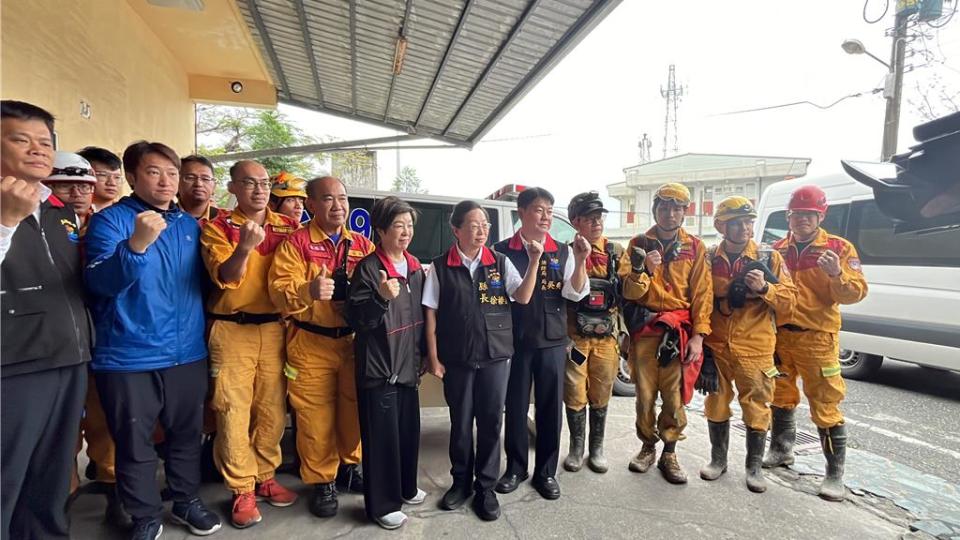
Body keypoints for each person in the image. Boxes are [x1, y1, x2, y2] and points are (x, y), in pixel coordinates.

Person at [84, 140, 222, 539]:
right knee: (134, 443)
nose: (165, 181)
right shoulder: (111, 222)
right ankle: (145, 516)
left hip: (186, 353)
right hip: (128, 355)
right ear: (132, 176)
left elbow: (210, 282)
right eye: (154, 172)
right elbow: (98, 282)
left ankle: (185, 500)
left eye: (172, 173)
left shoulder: (187, 226)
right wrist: (136, 245)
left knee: (184, 436)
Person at [1, 100, 92, 540]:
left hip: (68, 356)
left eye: (46, 142)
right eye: (21, 140)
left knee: (53, 476)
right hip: (14, 365)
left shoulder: (58, 211)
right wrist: (5, 222)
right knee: (7, 476)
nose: (39, 150)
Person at [423, 200, 542, 521]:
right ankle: (460, 482)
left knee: (491, 423)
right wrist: (433, 358)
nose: (481, 231)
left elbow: (523, 297)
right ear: (456, 230)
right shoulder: (440, 266)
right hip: (457, 358)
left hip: (495, 357)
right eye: (474, 225)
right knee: (460, 425)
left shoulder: (500, 263)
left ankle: (485, 488)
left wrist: (533, 263)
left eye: (485, 225)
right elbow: (430, 314)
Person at [201, 160, 300, 528]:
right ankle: (241, 487)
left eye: (264, 183)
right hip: (232, 330)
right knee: (232, 410)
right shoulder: (218, 228)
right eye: (249, 183)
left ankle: (264, 475)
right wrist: (243, 247)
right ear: (233, 187)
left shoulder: (289, 228)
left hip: (274, 328)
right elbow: (226, 276)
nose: (259, 190)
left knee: (272, 409)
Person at [269, 176, 374, 518]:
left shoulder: (361, 244)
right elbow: (278, 291)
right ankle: (322, 480)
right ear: (311, 205)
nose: (337, 205)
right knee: (315, 419)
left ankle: (347, 467)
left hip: (352, 343)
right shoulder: (296, 243)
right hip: (309, 342)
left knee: (353, 411)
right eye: (327, 199)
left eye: (342, 198)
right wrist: (307, 291)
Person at [763, 185, 868, 502]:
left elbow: (855, 293)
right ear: (789, 216)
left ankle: (834, 474)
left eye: (809, 215)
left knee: (825, 402)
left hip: (818, 338)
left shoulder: (838, 249)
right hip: (781, 336)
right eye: (797, 215)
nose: (802, 220)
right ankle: (781, 449)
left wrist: (836, 274)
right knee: (779, 394)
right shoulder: (777, 249)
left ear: (820, 216)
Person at [493, 187, 589, 501]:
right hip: (516, 342)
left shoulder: (562, 250)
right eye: (538, 210)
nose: (546, 216)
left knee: (550, 409)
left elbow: (575, 293)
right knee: (516, 408)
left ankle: (546, 472)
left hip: (551, 342)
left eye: (549, 210)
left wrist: (581, 260)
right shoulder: (502, 251)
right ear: (521, 212)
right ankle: (516, 468)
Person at [699, 196, 796, 493]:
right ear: (721, 226)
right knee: (715, 403)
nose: (744, 228)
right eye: (736, 223)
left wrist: (765, 288)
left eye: (748, 222)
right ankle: (718, 460)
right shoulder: (710, 258)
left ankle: (754, 468)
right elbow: (700, 299)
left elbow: (790, 303)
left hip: (755, 349)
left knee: (756, 407)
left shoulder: (769, 258)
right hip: (717, 346)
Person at [621, 182, 712, 485]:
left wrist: (699, 336)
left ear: (685, 212)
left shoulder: (696, 247)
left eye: (677, 208)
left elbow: (702, 293)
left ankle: (669, 452)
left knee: (674, 397)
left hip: (679, 332)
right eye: (664, 207)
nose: (670, 213)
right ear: (655, 210)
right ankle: (647, 447)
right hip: (646, 330)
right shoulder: (637, 242)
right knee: (645, 395)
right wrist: (643, 268)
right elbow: (629, 292)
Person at [347, 196, 426, 530]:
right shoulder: (368, 268)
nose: (405, 232)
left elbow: (422, 316)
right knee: (381, 440)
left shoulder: (414, 266)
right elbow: (357, 320)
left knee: (408, 432)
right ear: (380, 229)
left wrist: (422, 357)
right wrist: (381, 297)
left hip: (408, 366)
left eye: (409, 225)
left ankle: (406, 488)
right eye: (398, 226)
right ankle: (382, 504)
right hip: (379, 369)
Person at [562, 192, 624, 475]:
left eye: (599, 217)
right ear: (576, 222)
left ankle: (596, 448)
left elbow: (629, 296)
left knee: (601, 391)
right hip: (576, 337)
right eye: (590, 218)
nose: (597, 222)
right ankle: (576, 449)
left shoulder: (616, 252)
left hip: (606, 337)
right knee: (575, 393)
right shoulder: (565, 252)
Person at [42, 152, 97, 228]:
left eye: (84, 187)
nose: (76, 194)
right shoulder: (35, 226)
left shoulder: (107, 223)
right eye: (65, 186)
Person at [178, 154, 222, 225]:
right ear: (177, 182)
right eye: (190, 178)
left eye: (205, 179)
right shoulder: (162, 220)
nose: (199, 184)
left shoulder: (226, 221)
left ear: (214, 186)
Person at [78, 146, 123, 211]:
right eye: (103, 175)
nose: (112, 183)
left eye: (117, 177)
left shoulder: (126, 213)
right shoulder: (69, 213)